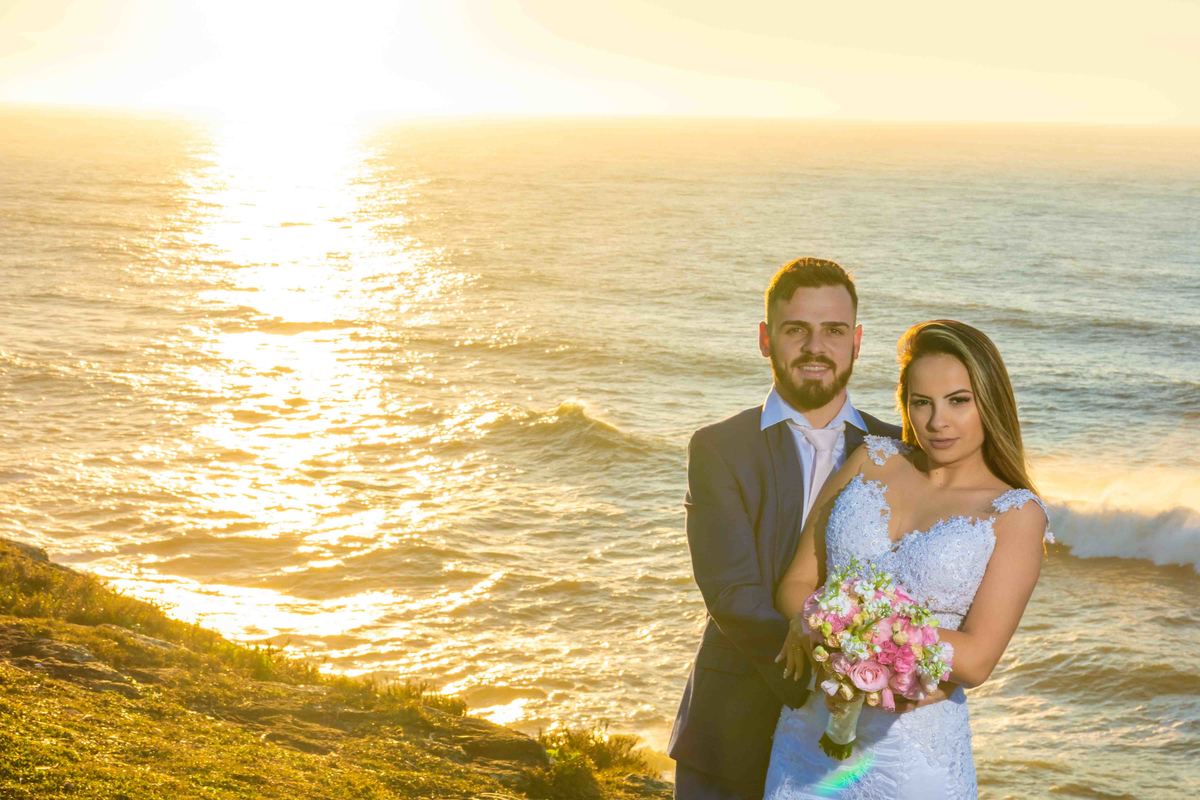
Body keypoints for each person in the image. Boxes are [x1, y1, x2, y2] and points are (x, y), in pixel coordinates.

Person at [763, 319, 1054, 799]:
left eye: (958, 401)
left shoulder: (1015, 513)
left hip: (913, 751)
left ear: (990, 400)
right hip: (808, 738)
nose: (938, 422)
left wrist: (858, 630)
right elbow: (795, 585)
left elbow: (978, 659)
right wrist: (825, 633)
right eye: (922, 403)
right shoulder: (870, 460)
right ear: (906, 405)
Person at [668, 257, 901, 800]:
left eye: (834, 331)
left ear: (858, 341)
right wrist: (827, 680)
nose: (816, 347)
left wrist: (879, 678)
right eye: (797, 330)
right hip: (732, 728)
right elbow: (730, 591)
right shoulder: (720, 448)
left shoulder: (900, 451)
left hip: (868, 738)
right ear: (765, 339)